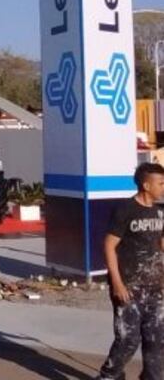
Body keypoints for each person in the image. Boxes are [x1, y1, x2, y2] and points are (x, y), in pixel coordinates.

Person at [97, 162, 164, 380]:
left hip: (155, 286)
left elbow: (160, 244)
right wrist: (117, 283)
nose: (163, 187)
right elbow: (109, 245)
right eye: (160, 183)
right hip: (128, 286)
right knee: (128, 339)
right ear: (146, 185)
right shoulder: (125, 210)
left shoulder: (160, 211)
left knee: (156, 339)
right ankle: (109, 375)